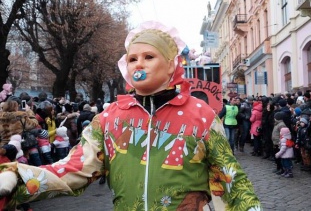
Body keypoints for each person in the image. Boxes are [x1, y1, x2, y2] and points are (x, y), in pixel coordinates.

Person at [0, 21, 261, 210]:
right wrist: (17, 176)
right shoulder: (109, 118)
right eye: (133, 58)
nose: (139, 64)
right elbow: (74, 169)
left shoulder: (201, 115)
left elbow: (230, 177)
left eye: (149, 56)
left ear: (171, 64)